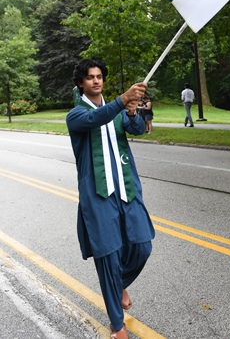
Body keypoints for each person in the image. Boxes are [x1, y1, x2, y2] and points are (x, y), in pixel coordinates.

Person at [66, 59, 155, 339]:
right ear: (81, 82)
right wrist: (122, 101)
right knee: (108, 257)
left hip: (127, 189)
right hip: (98, 195)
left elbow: (138, 130)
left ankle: (118, 284)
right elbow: (96, 118)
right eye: (90, 77)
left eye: (100, 76)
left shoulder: (115, 111)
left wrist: (130, 113)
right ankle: (118, 326)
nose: (96, 81)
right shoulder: (76, 115)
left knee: (142, 246)